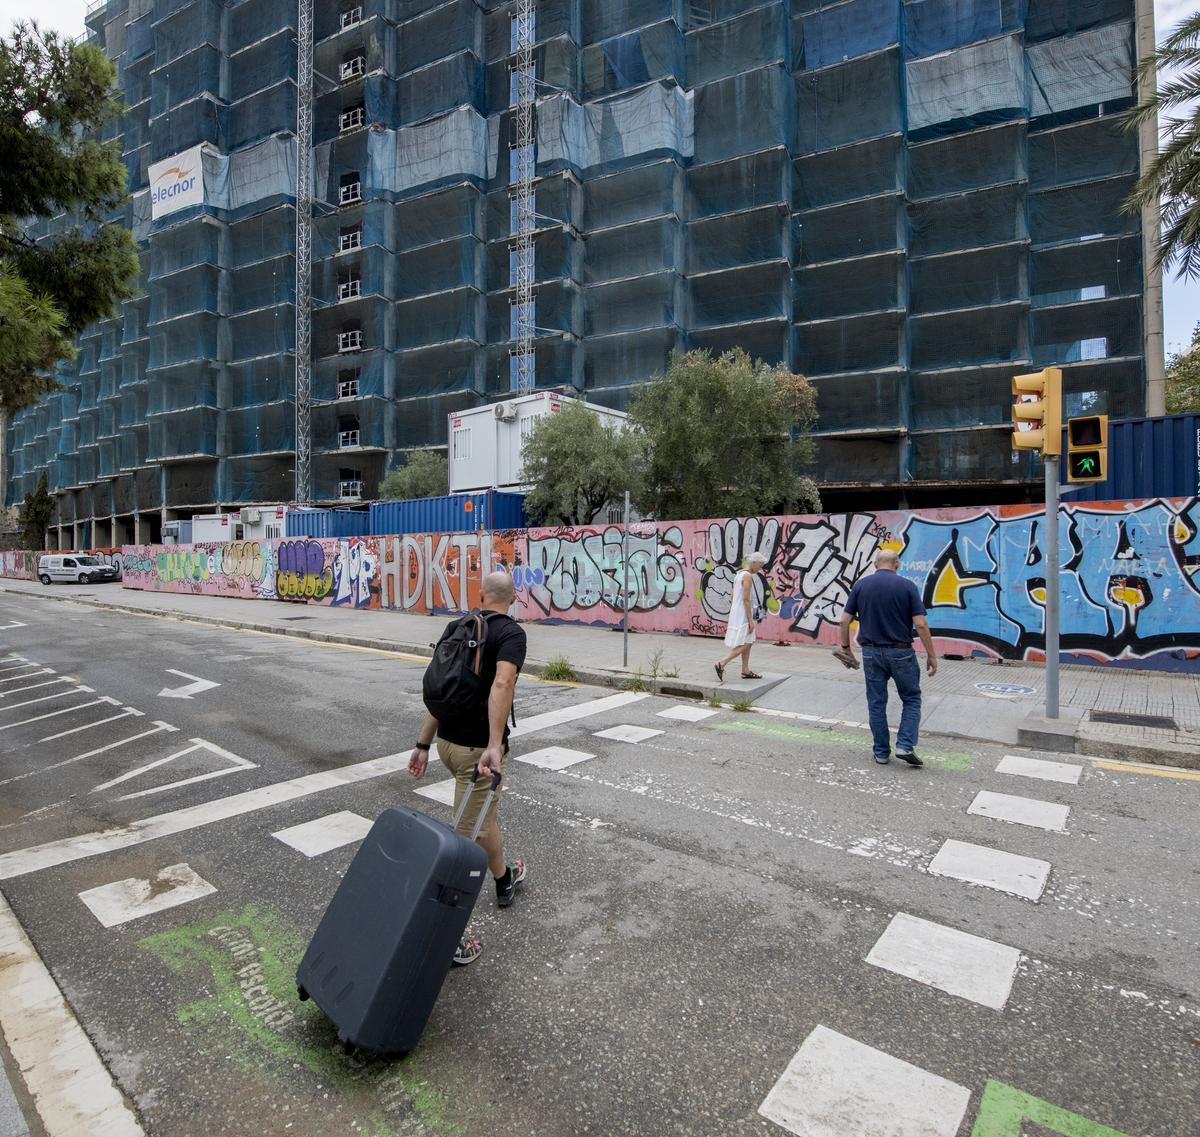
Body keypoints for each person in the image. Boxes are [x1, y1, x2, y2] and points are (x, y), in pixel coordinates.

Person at [408, 571, 527, 965]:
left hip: (446, 745)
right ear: (514, 597)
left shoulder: (457, 625)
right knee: (460, 847)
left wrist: (424, 743)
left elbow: (441, 688)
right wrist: (494, 745)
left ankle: (504, 878)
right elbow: (502, 685)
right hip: (479, 755)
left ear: (480, 594)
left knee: (481, 820)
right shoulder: (510, 634)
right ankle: (443, 938)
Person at [838, 550, 938, 767]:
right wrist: (931, 654)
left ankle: (881, 753)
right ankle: (904, 744)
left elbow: (844, 621)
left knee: (876, 702)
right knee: (911, 699)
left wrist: (846, 647)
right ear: (897, 563)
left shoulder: (861, 585)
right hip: (901, 652)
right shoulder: (907, 586)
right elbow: (920, 624)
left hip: (871, 652)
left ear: (875, 564)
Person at [714, 551, 768, 682]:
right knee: (748, 641)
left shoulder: (739, 574)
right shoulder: (748, 576)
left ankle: (745, 670)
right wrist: (750, 620)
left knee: (747, 641)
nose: (761, 569)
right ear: (753, 563)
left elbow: (733, 597)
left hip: (737, 611)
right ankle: (722, 663)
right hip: (744, 613)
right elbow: (746, 599)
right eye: (760, 565)